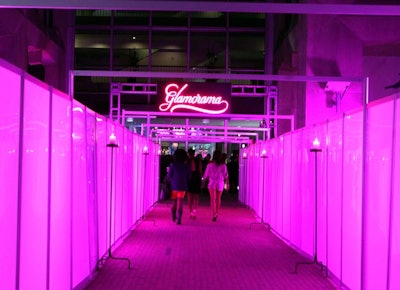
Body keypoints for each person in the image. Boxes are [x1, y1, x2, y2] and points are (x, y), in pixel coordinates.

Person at [202, 150, 229, 221]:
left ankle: (214, 213)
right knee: (218, 198)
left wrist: (202, 182)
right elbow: (226, 175)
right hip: (220, 182)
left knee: (212, 199)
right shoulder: (223, 165)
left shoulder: (209, 165)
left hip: (212, 183)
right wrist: (227, 183)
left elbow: (205, 175)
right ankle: (216, 212)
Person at [166, 148, 191, 225]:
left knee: (174, 202)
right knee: (180, 202)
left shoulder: (173, 165)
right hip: (183, 186)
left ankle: (173, 216)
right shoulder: (186, 166)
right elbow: (189, 177)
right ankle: (179, 219)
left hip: (174, 186)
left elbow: (169, 176)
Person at [187, 149, 203, 219]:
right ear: (194, 154)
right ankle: (194, 211)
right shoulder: (198, 161)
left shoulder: (187, 161)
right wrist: (201, 180)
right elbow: (200, 171)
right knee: (196, 197)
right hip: (196, 179)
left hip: (189, 180)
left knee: (190, 197)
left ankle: (191, 212)